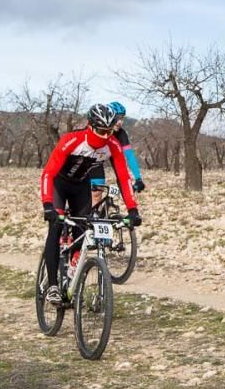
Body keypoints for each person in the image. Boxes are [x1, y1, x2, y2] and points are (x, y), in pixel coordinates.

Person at [41, 103, 142, 304]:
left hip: (81, 188)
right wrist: (47, 205)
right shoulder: (72, 140)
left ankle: (73, 268)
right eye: (101, 131)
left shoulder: (112, 145)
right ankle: (52, 285)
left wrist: (133, 209)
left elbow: (123, 178)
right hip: (59, 186)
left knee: (83, 227)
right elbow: (48, 173)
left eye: (108, 131)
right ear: (90, 126)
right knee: (56, 227)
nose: (105, 136)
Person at [88, 101, 146, 206]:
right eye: (117, 118)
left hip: (98, 164)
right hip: (85, 161)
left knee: (97, 195)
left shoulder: (121, 134)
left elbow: (129, 156)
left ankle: (93, 218)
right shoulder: (97, 129)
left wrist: (138, 178)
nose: (120, 122)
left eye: (122, 118)